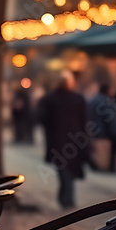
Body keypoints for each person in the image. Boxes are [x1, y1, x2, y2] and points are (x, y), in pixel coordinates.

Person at [38, 70, 88, 209]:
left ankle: (66, 199)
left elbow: (42, 118)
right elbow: (85, 121)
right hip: (74, 140)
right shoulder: (78, 99)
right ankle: (67, 199)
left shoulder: (50, 98)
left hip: (57, 140)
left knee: (63, 169)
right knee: (69, 169)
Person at [88, 83, 116, 170]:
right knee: (103, 160)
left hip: (94, 132)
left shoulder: (92, 100)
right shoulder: (106, 102)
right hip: (104, 133)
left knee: (96, 155)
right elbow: (110, 120)